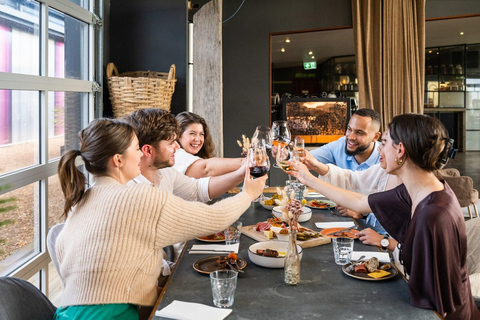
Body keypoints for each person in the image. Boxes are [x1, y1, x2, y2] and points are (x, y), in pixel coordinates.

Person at [54, 118, 266, 320]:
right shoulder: (137, 197)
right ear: (118, 160)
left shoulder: (81, 200)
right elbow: (214, 218)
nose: (140, 156)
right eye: (136, 148)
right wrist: (248, 194)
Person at [288, 113, 479, 319]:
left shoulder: (433, 214)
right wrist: (308, 178)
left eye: (384, 143)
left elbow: (433, 295)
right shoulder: (417, 190)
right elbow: (359, 201)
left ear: (400, 150)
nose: (379, 149)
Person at [306, 108, 384, 233]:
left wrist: (363, 214)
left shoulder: (386, 159)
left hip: (377, 235)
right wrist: (285, 153)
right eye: (349, 129)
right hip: (345, 225)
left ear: (375, 136)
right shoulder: (341, 144)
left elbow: (392, 209)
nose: (351, 137)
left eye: (359, 132)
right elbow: (307, 158)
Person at [174, 111, 244, 178]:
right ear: (178, 135)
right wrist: (244, 162)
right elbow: (206, 168)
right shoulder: (176, 155)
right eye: (192, 133)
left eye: (201, 134)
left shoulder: (198, 158)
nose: (198, 139)